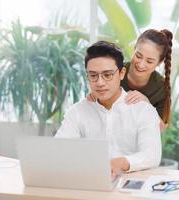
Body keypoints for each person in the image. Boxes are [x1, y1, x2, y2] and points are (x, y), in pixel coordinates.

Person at [55, 41, 161, 176]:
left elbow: (151, 155)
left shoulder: (143, 110)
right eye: (93, 75)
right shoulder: (77, 111)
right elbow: (59, 148)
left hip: (130, 187)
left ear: (121, 73)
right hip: (88, 184)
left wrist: (121, 162)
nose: (100, 82)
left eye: (108, 75)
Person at [88, 29, 173, 128]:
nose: (141, 65)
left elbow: (161, 128)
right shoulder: (114, 71)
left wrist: (146, 103)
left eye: (149, 61)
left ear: (159, 62)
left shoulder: (161, 88)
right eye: (138, 56)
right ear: (134, 49)